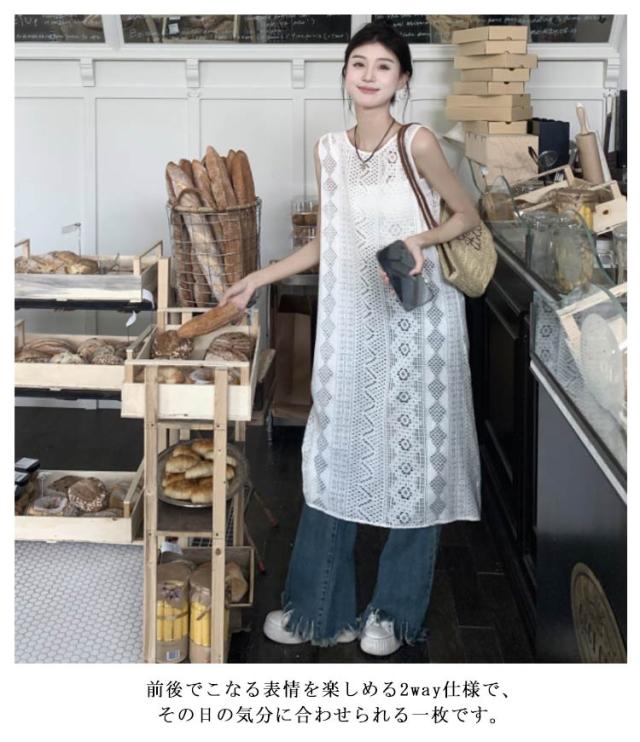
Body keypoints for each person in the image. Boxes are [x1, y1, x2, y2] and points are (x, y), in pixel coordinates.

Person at [220, 20, 482, 657]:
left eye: (383, 66)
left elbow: (466, 215)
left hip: (419, 325)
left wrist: (418, 238)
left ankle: (393, 613)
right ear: (344, 74)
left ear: (402, 79)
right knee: (335, 455)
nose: (369, 75)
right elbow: (327, 241)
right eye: (358, 63)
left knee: (416, 462)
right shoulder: (329, 150)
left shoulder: (417, 142)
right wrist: (259, 276)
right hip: (353, 327)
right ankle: (320, 611)